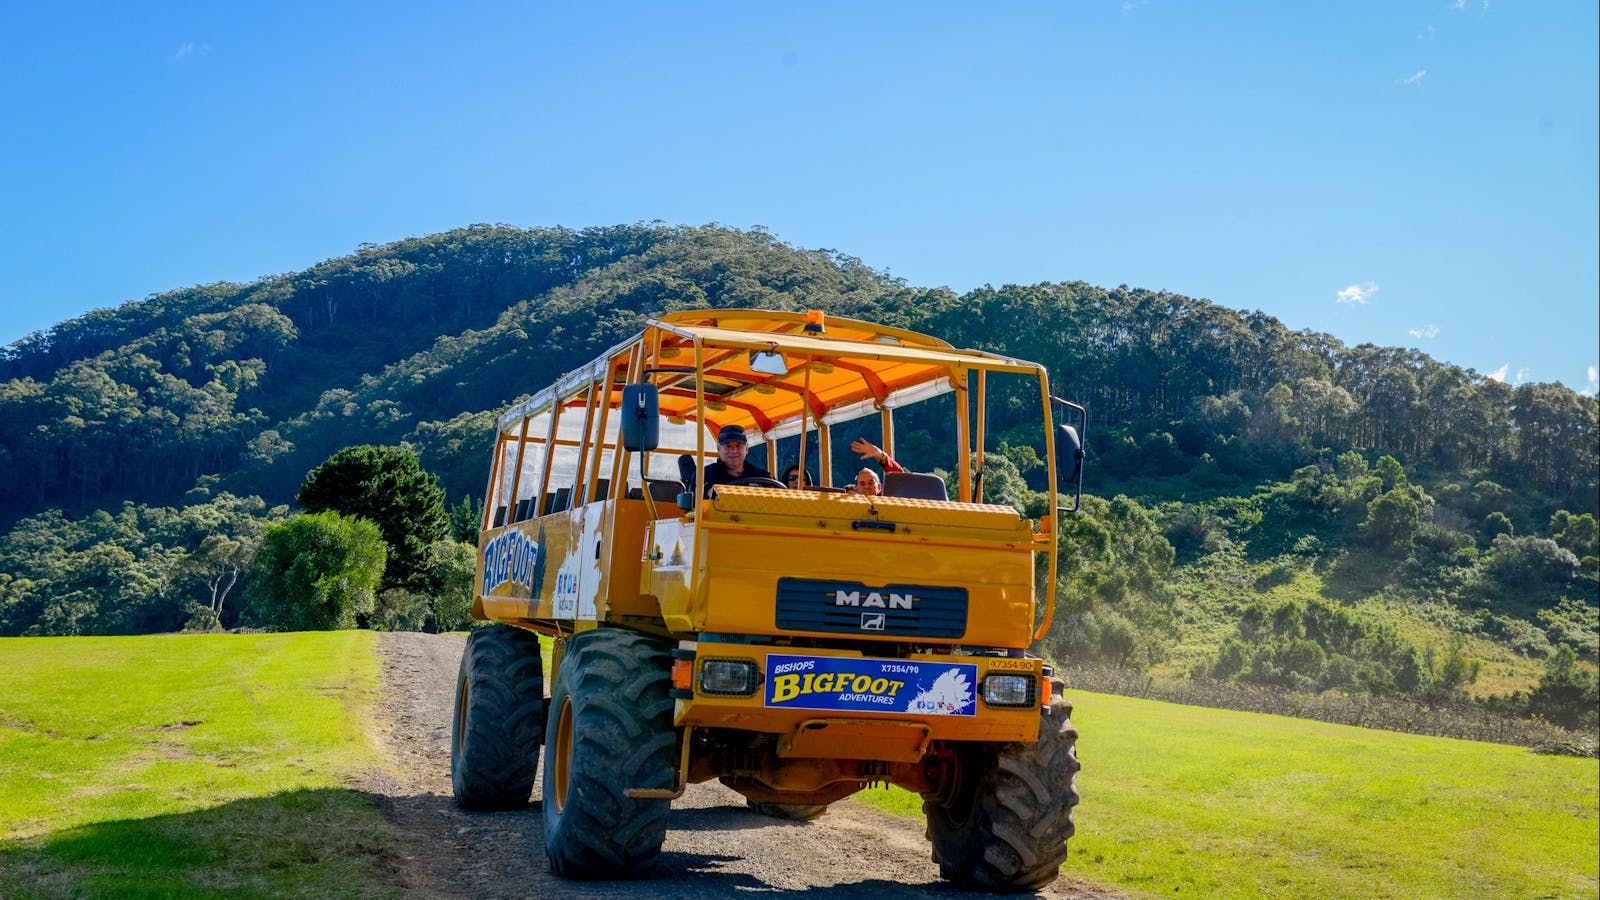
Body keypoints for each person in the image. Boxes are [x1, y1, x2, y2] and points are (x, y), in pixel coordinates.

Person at [703, 424, 772, 497]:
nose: (733, 451)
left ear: (746, 448)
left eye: (738, 446)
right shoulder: (704, 476)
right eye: (728, 446)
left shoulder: (764, 477)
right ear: (718, 448)